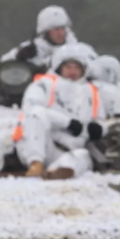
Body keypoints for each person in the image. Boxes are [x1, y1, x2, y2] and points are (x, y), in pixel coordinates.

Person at [13, 43, 105, 179]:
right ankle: (36, 163)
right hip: (44, 144)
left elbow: (101, 121)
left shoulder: (91, 91)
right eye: (68, 67)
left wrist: (98, 129)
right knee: (36, 113)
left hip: (71, 149)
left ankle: (59, 171)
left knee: (82, 157)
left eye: (76, 68)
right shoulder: (43, 84)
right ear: (59, 67)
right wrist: (67, 123)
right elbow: (32, 111)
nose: (72, 72)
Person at [1, 6, 77, 68]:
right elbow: (2, 64)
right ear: (46, 32)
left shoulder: (76, 49)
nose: (61, 33)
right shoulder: (33, 48)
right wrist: (19, 56)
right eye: (56, 30)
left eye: (62, 29)